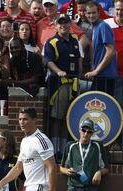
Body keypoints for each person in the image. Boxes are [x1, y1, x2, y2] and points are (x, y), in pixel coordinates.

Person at [0, 107, 58, 191]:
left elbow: (52, 167)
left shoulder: (41, 140)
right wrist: (0, 184)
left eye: (25, 119)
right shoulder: (25, 140)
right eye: (20, 119)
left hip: (39, 188)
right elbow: (18, 168)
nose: (22, 122)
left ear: (34, 120)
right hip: (30, 189)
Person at [43, 13, 83, 156]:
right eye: (60, 23)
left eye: (65, 22)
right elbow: (48, 61)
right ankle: (55, 148)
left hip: (74, 83)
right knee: (57, 117)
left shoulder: (75, 40)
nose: (63, 25)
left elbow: (79, 61)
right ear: (56, 26)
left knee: (69, 116)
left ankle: (66, 147)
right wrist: (58, 71)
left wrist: (80, 76)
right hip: (60, 84)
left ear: (70, 24)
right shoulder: (52, 42)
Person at [60, 118, 109, 191]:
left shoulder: (97, 146)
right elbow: (61, 167)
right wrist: (67, 171)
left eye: (89, 131)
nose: (86, 134)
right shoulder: (71, 146)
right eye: (84, 130)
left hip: (90, 190)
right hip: (73, 189)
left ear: (92, 133)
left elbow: (106, 168)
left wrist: (99, 172)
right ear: (79, 130)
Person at [84, 1, 116, 95]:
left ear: (99, 13)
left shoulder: (103, 26)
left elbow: (111, 51)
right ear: (85, 14)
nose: (91, 15)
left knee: (100, 107)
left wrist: (96, 71)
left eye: (94, 12)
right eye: (89, 13)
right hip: (100, 75)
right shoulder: (95, 27)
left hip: (106, 76)